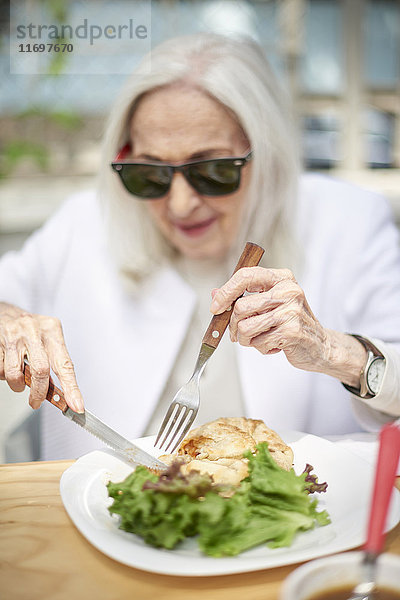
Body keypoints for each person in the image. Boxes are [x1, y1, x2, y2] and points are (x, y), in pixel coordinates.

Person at [1, 33, 400, 461]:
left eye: (212, 171)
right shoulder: (82, 224)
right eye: (149, 174)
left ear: (266, 155)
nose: (181, 204)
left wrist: (334, 351)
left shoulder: (351, 221)